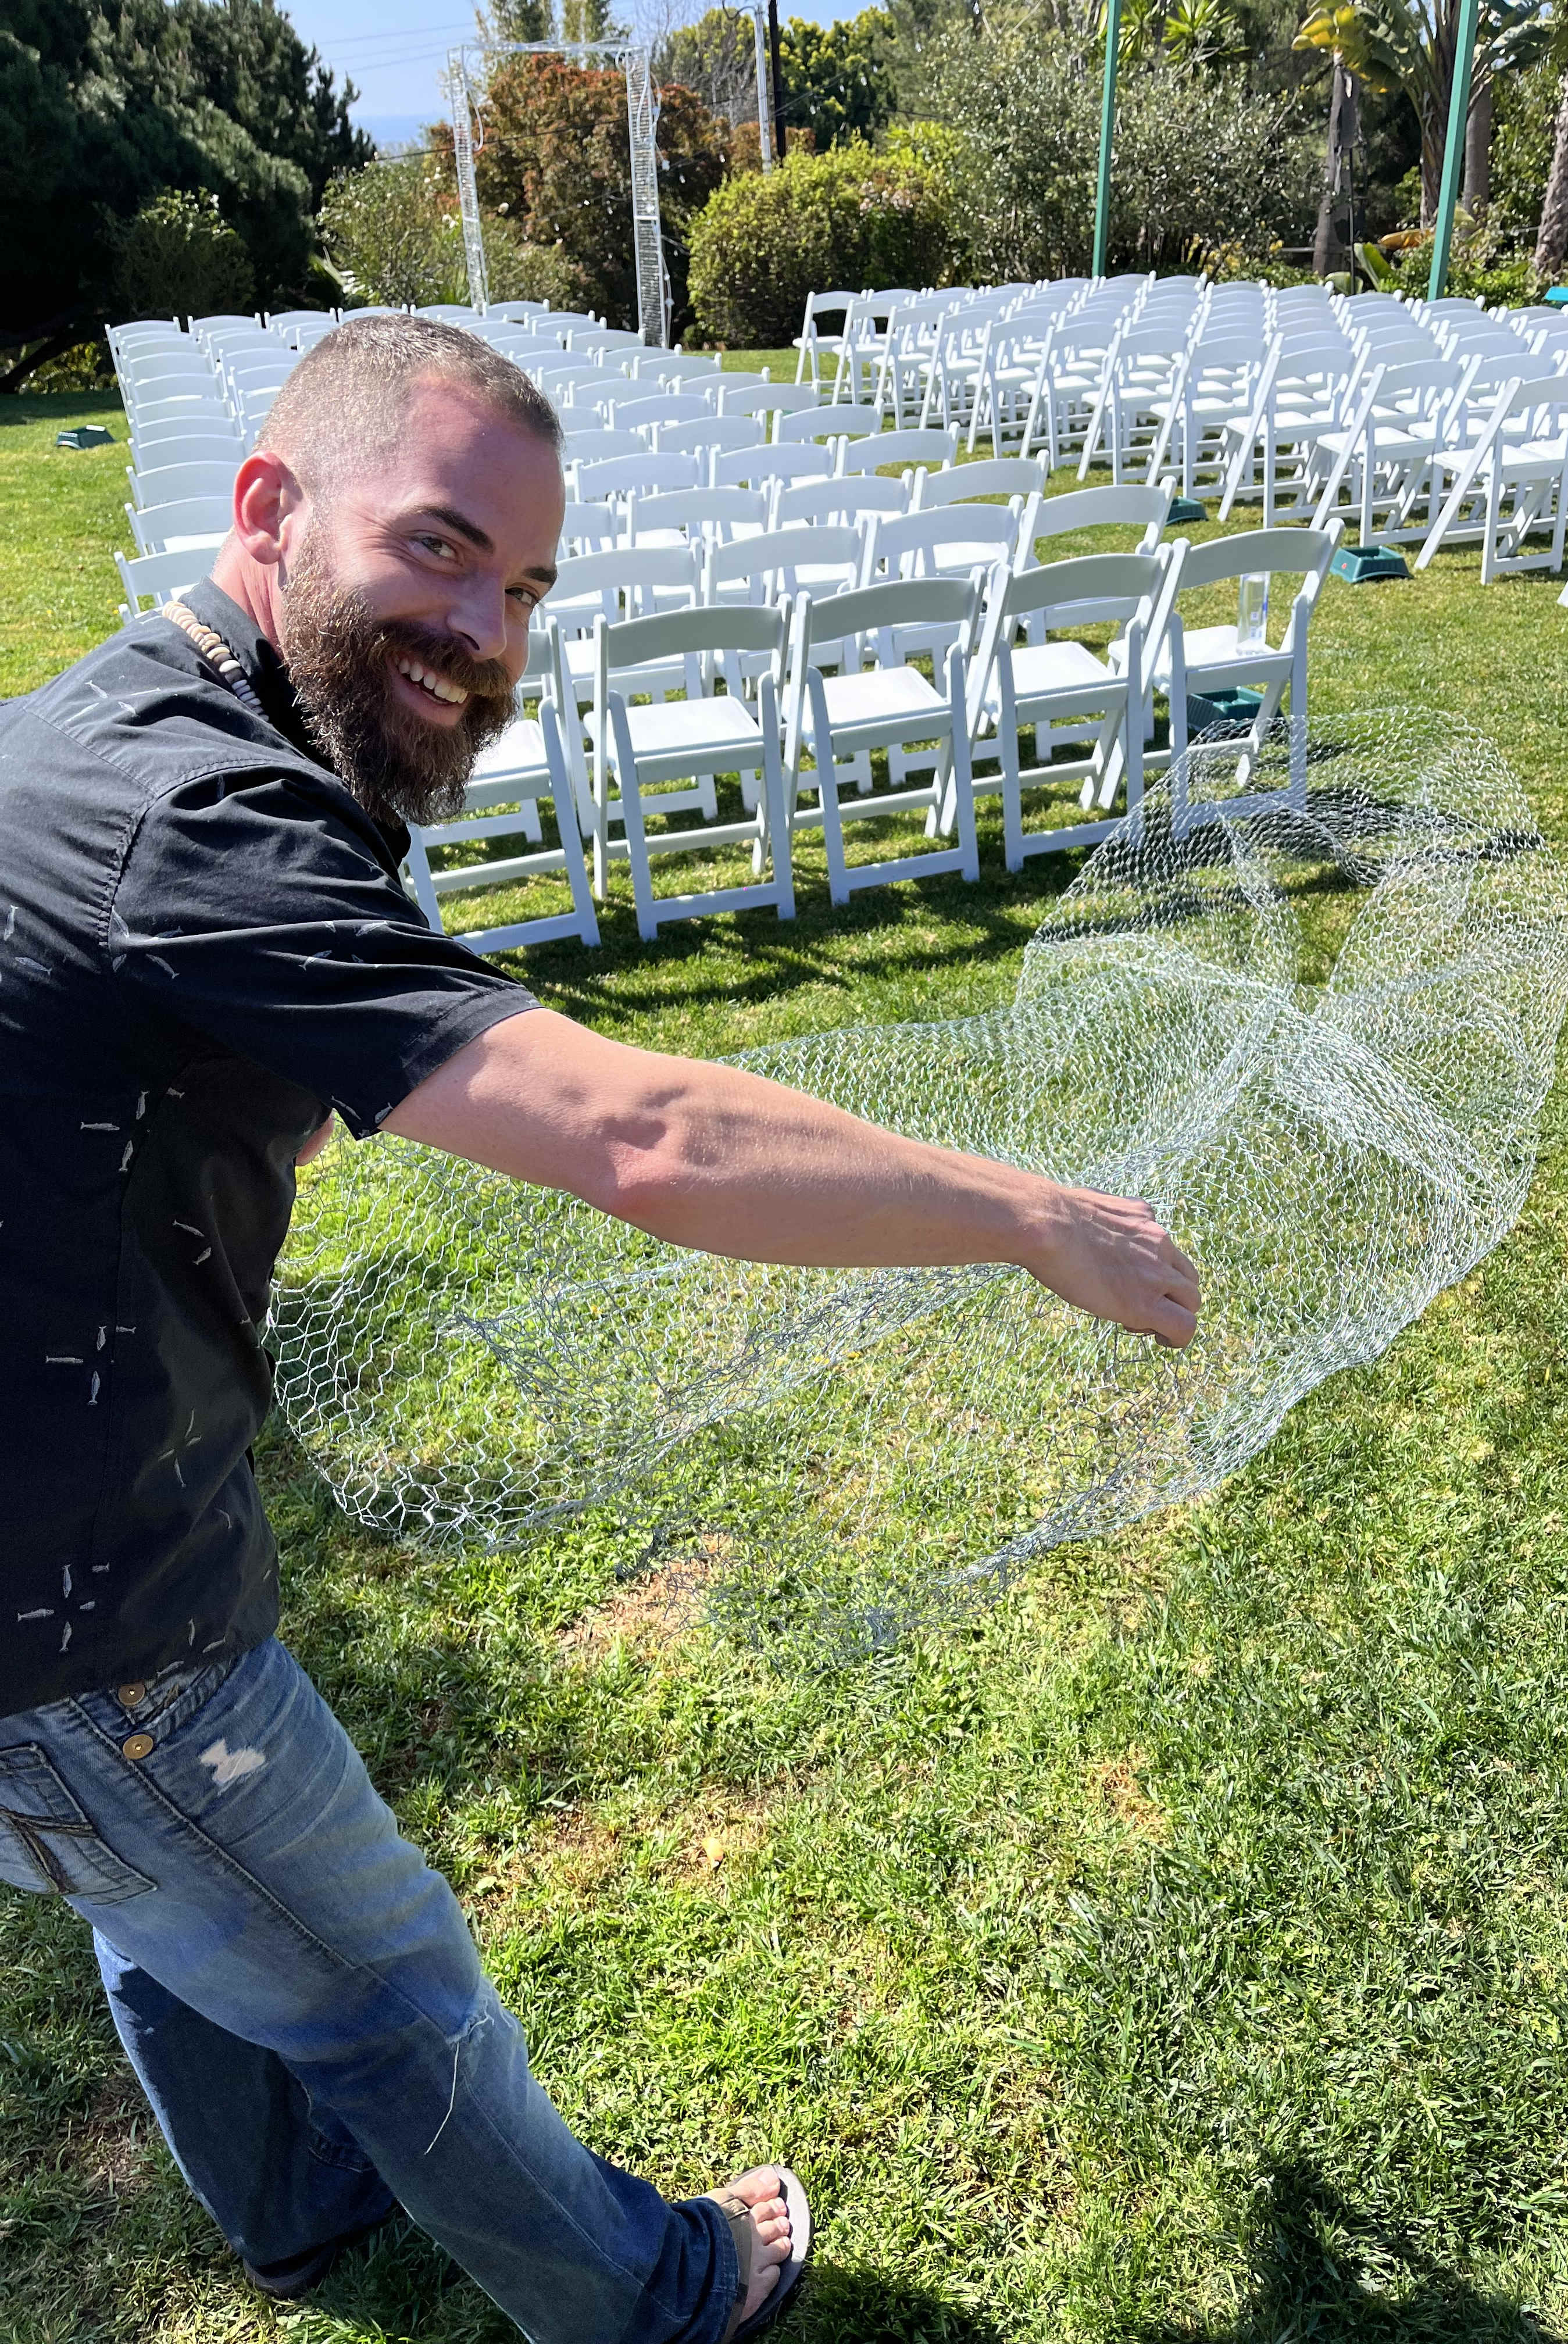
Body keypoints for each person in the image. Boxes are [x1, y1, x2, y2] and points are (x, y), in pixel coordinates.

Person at [0, 316, 1200, 2341]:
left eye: (529, 589)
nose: (487, 633)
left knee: (164, 1892)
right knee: (383, 1981)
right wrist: (1022, 1213)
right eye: (441, 548)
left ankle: (295, 2209)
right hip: (80, 1611)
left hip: (68, 1523)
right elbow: (648, 1137)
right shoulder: (190, 818)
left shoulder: (120, 723)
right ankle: (652, 2295)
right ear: (270, 509)